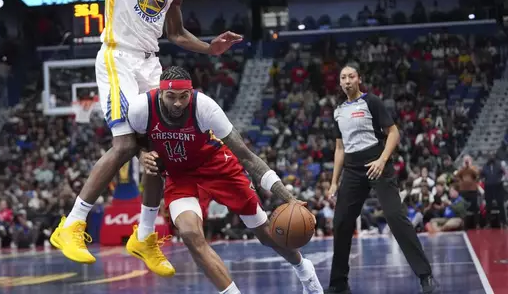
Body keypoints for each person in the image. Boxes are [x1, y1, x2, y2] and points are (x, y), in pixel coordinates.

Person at [51, 0, 242, 276]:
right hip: (117, 56)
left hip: (150, 63)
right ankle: (71, 225)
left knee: (162, 148)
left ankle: (143, 235)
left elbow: (177, 32)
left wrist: (210, 48)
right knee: (125, 146)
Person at [128, 66, 323, 294]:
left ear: (191, 93)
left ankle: (303, 268)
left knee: (265, 234)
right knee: (190, 235)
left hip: (219, 167)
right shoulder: (141, 109)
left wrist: (289, 198)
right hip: (181, 176)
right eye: (171, 97)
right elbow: (130, 143)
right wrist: (141, 155)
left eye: (184, 96)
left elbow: (248, 157)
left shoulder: (205, 107)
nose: (178, 103)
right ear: (160, 93)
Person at [325, 64, 438, 294]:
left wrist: (382, 160)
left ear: (359, 79)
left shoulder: (372, 102)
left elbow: (394, 133)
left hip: (378, 166)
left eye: (351, 76)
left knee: (395, 218)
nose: (347, 81)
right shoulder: (338, 111)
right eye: (343, 77)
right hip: (353, 171)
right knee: (341, 222)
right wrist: (334, 182)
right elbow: (339, 149)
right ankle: (339, 284)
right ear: (340, 83)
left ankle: (425, 276)